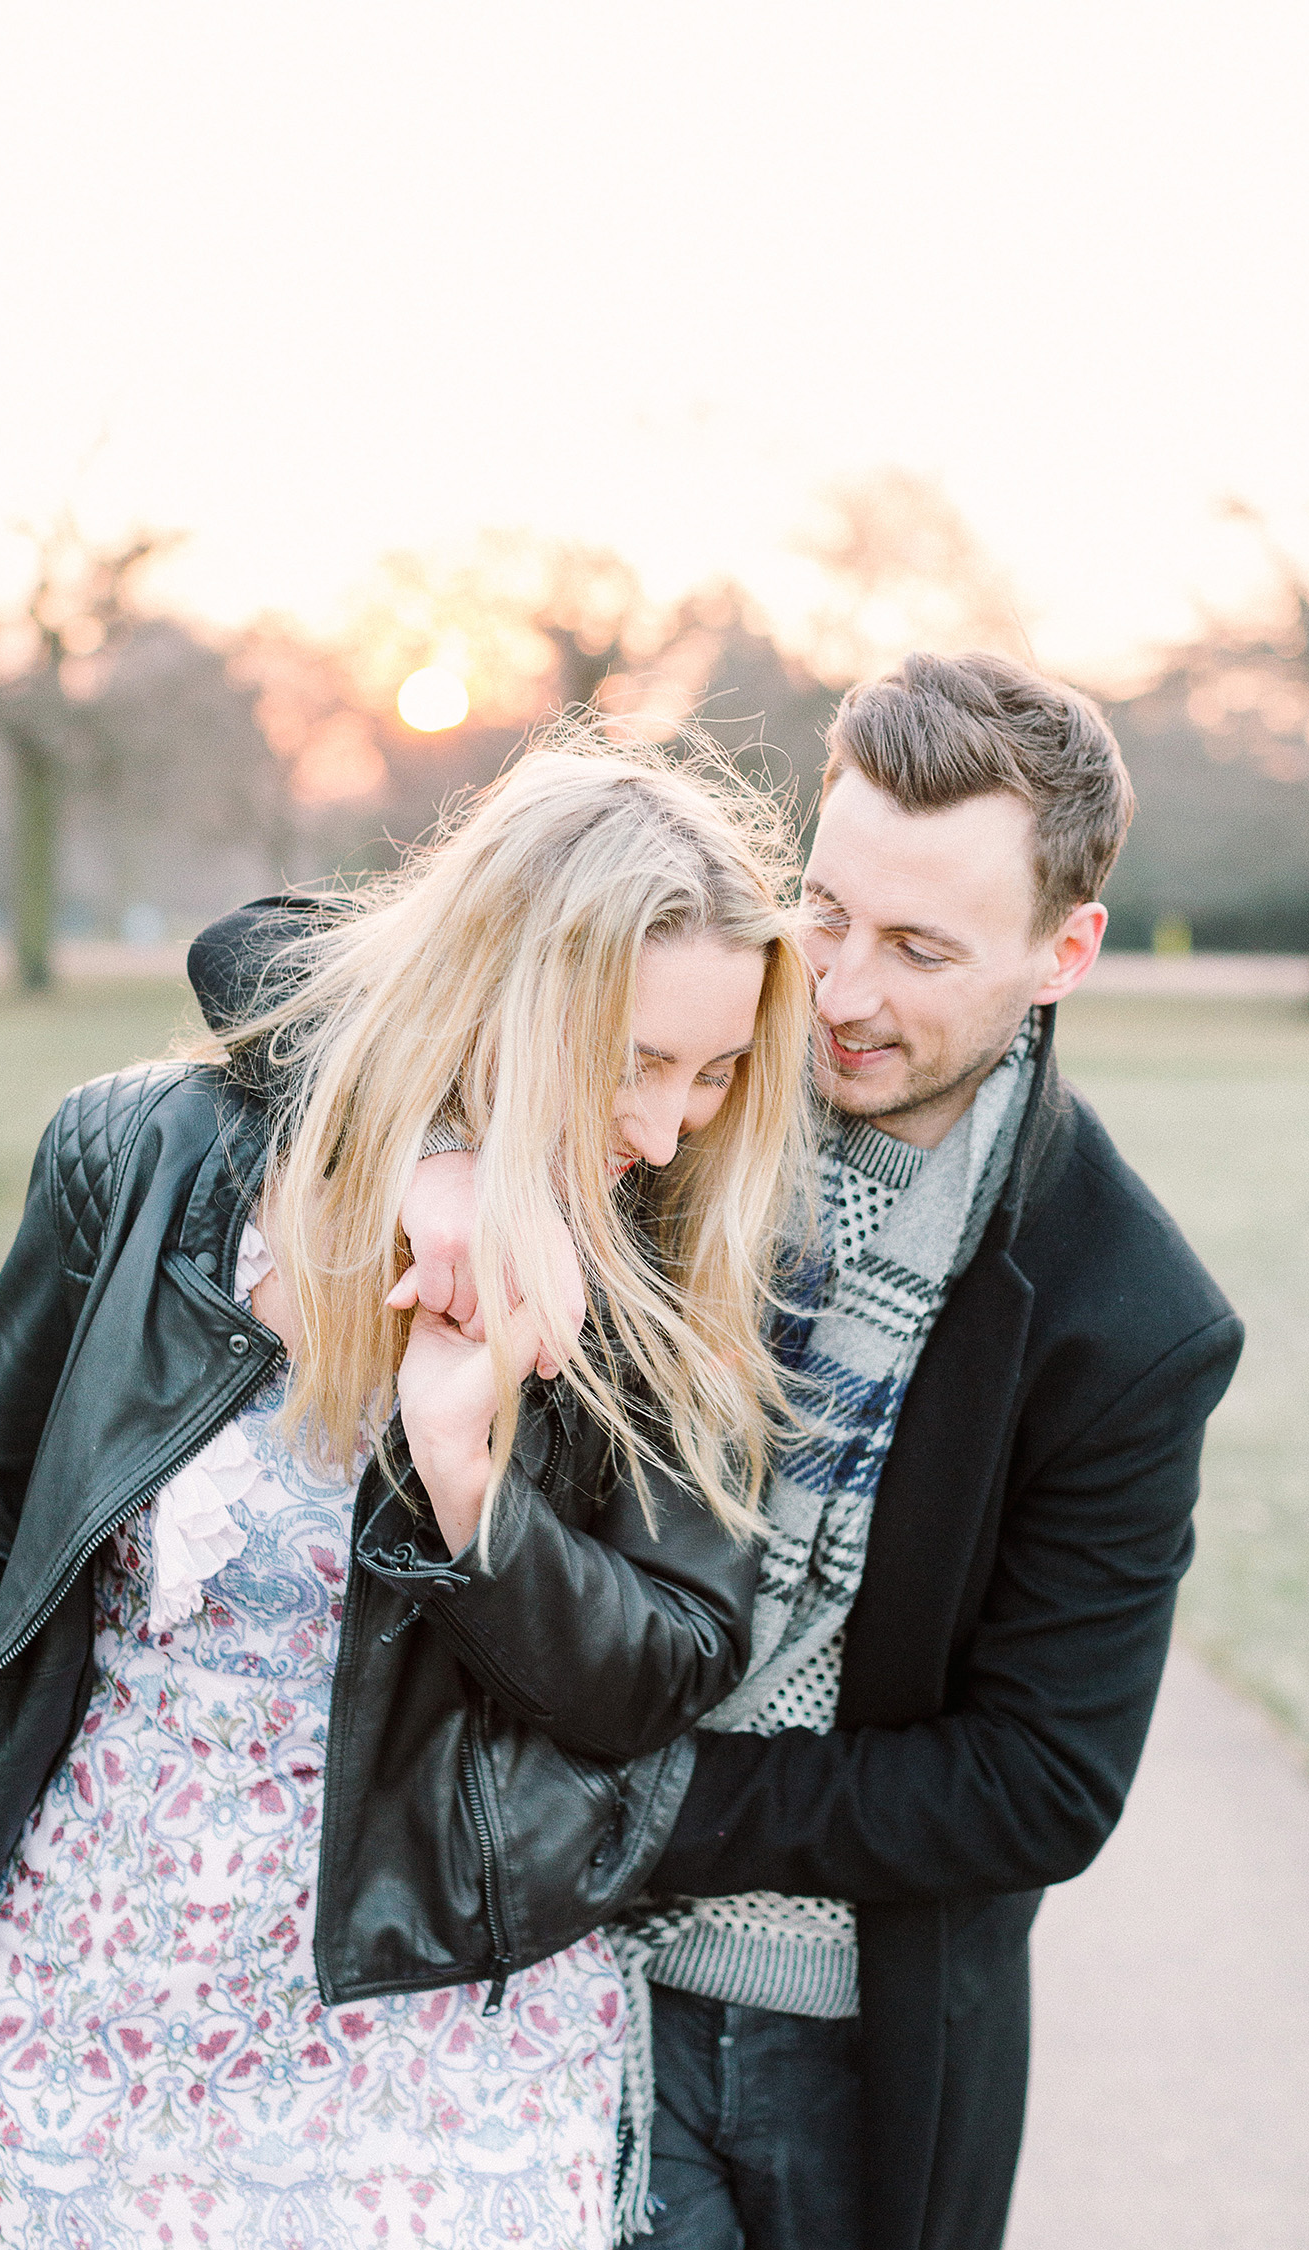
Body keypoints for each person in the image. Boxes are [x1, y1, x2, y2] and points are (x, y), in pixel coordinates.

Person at [0, 737, 820, 2248]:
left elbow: (656, 1676)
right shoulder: (138, 1156)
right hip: (84, 1994)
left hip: (437, 2033)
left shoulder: (673, 1259)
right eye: (637, 1063)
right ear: (509, 1002)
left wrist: (468, 1482)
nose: (672, 1126)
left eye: (717, 1069)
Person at [373, 655, 1245, 2250]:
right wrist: (443, 1153)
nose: (838, 991)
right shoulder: (671, 1068)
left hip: (840, 2051)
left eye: (919, 949)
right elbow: (285, 962)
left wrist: (643, 1804)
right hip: (533, 1973)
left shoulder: (1131, 1318)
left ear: (1067, 950)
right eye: (825, 911)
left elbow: (1038, 1784)